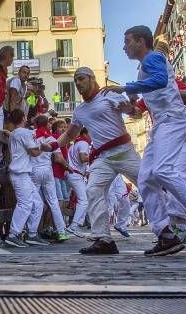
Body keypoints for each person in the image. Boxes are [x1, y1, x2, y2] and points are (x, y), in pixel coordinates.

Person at [105, 25, 186, 255]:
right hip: (161, 125)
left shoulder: (153, 57)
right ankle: (165, 233)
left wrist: (126, 88)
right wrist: (128, 105)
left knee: (164, 171)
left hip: (172, 120)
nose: (124, 46)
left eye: (127, 41)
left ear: (141, 41)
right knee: (146, 179)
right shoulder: (143, 68)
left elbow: (159, 81)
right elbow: (143, 106)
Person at [56, 67, 139, 255]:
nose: (78, 83)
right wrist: (53, 145)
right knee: (93, 190)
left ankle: (176, 227)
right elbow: (70, 134)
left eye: (81, 78)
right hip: (104, 158)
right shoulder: (80, 110)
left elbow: (135, 113)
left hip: (124, 151)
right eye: (76, 80)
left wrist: (131, 109)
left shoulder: (108, 95)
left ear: (92, 79)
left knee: (148, 184)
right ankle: (103, 239)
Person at [4, 109, 55, 247]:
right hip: (20, 174)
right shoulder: (23, 132)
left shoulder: (15, 133)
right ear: (24, 118)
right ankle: (13, 234)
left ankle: (32, 233)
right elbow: (33, 152)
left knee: (38, 203)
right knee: (25, 204)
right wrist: (43, 148)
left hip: (23, 174)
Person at [30, 115, 70, 243]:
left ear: (35, 124)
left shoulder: (31, 135)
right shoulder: (52, 138)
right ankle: (61, 231)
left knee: (33, 202)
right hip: (47, 171)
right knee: (53, 202)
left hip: (34, 171)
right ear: (47, 124)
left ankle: (31, 231)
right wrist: (68, 167)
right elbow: (58, 157)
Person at [65, 126, 90, 237]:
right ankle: (74, 226)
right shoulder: (84, 143)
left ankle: (74, 226)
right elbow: (82, 158)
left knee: (82, 200)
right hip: (75, 175)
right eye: (90, 133)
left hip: (72, 174)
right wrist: (95, 155)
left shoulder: (74, 144)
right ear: (85, 134)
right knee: (84, 201)